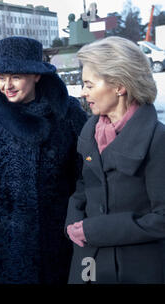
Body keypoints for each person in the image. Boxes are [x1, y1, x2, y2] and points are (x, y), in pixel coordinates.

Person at [0, 36, 88, 283]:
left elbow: (84, 175)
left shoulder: (68, 113)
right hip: (3, 241)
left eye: (16, 77)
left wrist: (83, 223)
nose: (7, 85)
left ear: (37, 75)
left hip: (57, 237)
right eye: (2, 77)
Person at [65, 36, 165, 284]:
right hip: (89, 263)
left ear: (119, 85)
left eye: (89, 84)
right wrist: (73, 219)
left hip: (137, 268)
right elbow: (84, 186)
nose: (83, 92)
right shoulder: (91, 131)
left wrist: (96, 230)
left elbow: (162, 218)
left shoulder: (158, 140)